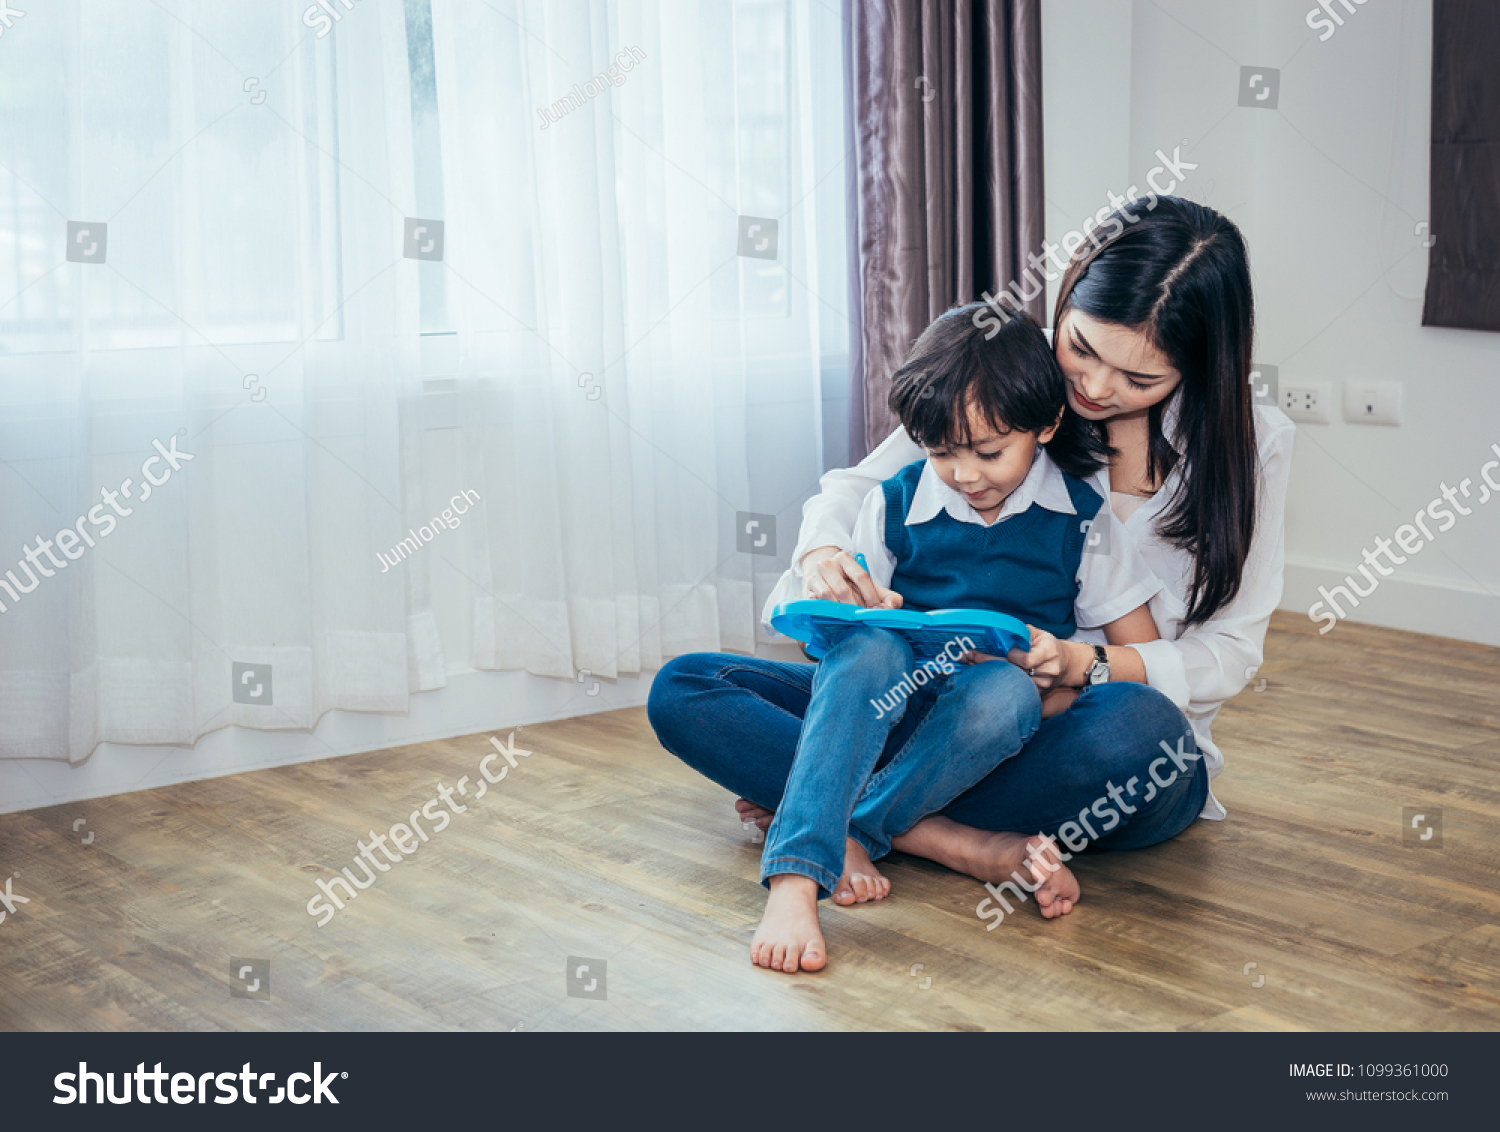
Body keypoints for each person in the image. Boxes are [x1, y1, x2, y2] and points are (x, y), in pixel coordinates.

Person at [648, 195, 1294, 962]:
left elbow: (1229, 655)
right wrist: (825, 559)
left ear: (1199, 366)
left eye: (1138, 377)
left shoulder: (1253, 449)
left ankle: (835, 806)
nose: (1092, 387)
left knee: (1139, 733)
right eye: (1082, 347)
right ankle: (951, 838)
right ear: (1068, 298)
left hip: (1081, 733)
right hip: (934, 707)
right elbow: (861, 488)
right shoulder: (1010, 388)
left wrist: (1083, 663)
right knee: (690, 686)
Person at [750, 306, 1161, 973]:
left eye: (988, 452)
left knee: (1006, 689)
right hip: (891, 710)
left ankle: (843, 822)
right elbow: (839, 654)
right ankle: (798, 881)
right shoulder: (894, 502)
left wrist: (1065, 669)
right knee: (694, 685)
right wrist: (843, 606)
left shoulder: (1085, 520)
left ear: (1047, 425)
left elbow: (1139, 654)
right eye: (942, 452)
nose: (965, 473)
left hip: (987, 729)